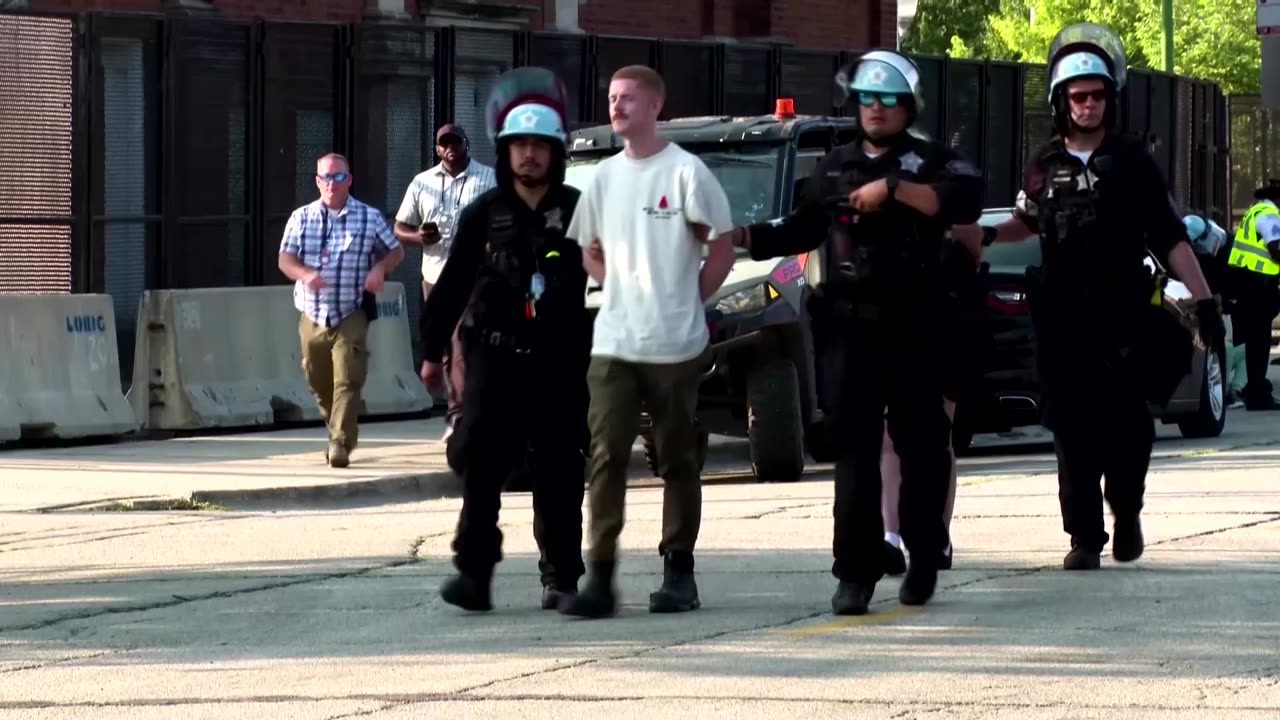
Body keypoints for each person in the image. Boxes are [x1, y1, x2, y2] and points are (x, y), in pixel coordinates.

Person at [723, 49, 984, 615]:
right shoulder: (836, 165)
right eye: (866, 97)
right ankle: (855, 573)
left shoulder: (935, 161)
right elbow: (801, 226)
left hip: (917, 327)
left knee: (922, 449)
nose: (875, 108)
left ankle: (921, 554)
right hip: (850, 333)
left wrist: (893, 190)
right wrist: (740, 236)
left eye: (888, 99)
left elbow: (958, 202)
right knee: (854, 455)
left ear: (908, 106)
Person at [957, 23, 1226, 571]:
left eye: (1098, 95)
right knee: (1071, 427)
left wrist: (1205, 303)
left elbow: (1172, 238)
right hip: (1063, 316)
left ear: (1111, 98)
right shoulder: (1043, 164)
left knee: (1128, 425)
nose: (1088, 105)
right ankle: (1084, 535)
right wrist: (983, 236)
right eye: (1078, 96)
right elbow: (1025, 222)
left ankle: (1126, 510)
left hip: (1124, 310)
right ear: (1062, 101)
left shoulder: (1133, 163)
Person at [559, 65, 737, 619]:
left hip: (676, 346)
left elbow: (723, 247)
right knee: (607, 454)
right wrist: (611, 283)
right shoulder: (604, 178)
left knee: (678, 459)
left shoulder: (686, 172)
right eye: (611, 98)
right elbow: (586, 246)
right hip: (613, 343)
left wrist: (688, 298)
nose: (616, 107)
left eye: (628, 99)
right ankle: (600, 576)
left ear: (656, 107)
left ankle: (678, 571)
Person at [419, 67, 590, 612]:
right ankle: (474, 575)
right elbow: (450, 287)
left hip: (559, 359)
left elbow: (615, 279)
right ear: (504, 150)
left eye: (540, 145)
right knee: (480, 462)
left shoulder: (581, 209)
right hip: (493, 354)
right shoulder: (482, 214)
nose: (529, 155)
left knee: (560, 466)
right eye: (519, 145)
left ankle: (561, 577)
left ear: (555, 151)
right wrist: (431, 351)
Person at [278, 153, 405, 468]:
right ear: (317, 182)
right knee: (317, 378)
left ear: (348, 180)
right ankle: (337, 423)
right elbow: (285, 259)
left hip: (350, 310)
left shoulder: (368, 217)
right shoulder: (301, 218)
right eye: (326, 178)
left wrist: (378, 270)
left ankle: (340, 444)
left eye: (338, 177)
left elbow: (395, 250)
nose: (332, 184)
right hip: (312, 311)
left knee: (348, 378)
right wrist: (305, 274)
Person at [394, 123, 497, 436]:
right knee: (447, 347)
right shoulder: (422, 182)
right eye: (444, 144)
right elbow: (400, 226)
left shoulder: (489, 178)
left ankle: (460, 413)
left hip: (475, 275)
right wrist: (419, 236)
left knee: (461, 342)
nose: (450, 148)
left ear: (467, 144)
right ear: (437, 149)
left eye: (456, 142)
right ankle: (461, 410)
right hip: (436, 276)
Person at [1224, 182, 1280, 410]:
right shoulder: (1269, 216)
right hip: (1257, 287)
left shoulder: (1255, 211)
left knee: (1255, 343)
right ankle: (1257, 395)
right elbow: (1276, 248)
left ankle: (1255, 390)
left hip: (1248, 285)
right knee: (1259, 343)